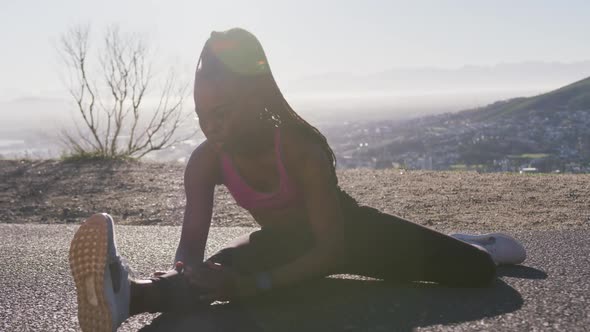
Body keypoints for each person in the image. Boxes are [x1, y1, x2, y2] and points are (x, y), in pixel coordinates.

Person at [68, 28, 526, 331]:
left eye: (223, 113)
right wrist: (192, 271)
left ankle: (474, 242)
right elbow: (190, 245)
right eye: (203, 115)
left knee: (477, 273)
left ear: (254, 97)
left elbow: (330, 250)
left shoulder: (301, 149)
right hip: (282, 245)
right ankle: (126, 294)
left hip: (354, 236)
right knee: (216, 275)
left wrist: (256, 287)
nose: (212, 127)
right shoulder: (205, 162)